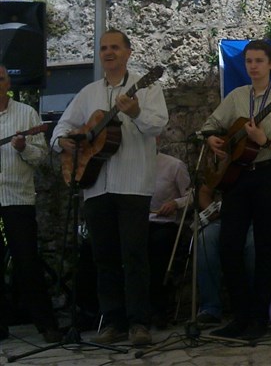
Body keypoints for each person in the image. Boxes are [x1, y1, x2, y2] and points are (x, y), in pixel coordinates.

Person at [51, 29, 168, 346]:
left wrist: (136, 112)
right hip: (95, 186)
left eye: (115, 47)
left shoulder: (147, 86)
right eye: (103, 48)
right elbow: (61, 128)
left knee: (134, 255)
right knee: (103, 257)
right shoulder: (88, 93)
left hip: (133, 183)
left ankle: (139, 323)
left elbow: (159, 125)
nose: (108, 52)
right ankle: (113, 322)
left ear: (128, 52)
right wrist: (64, 142)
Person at [201, 39, 271, 340]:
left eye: (259, 61)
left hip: (270, 175)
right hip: (238, 178)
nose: (253, 66)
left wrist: (264, 140)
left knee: (265, 248)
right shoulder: (237, 96)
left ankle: (259, 318)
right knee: (229, 244)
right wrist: (211, 139)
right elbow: (210, 125)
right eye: (249, 61)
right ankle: (240, 316)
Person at [0, 64, 62, 344]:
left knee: (27, 261)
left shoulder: (26, 114)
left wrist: (24, 147)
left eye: (0, 78)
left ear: (8, 83)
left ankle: (46, 324)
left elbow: (41, 157)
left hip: (17, 197)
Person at [193, 183, 271, 326]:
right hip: (227, 220)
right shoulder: (227, 169)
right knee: (206, 238)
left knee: (255, 244)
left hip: (256, 222)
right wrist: (211, 210)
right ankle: (210, 308)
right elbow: (204, 191)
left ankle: (256, 307)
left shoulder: (268, 171)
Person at [148, 149, 191, 328]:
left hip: (164, 223)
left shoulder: (174, 165)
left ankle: (158, 310)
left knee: (158, 247)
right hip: (137, 224)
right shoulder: (131, 167)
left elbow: (191, 196)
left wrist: (175, 203)